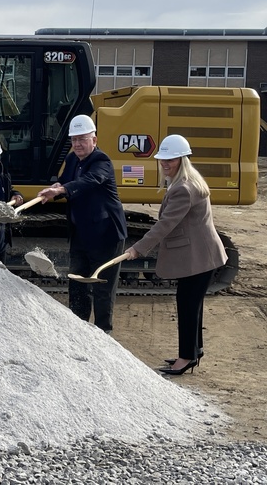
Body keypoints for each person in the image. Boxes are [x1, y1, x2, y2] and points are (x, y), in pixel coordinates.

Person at [125, 134, 226, 376]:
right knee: (193, 304)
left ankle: (186, 358)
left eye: (171, 160)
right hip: (203, 254)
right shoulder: (188, 181)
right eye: (163, 160)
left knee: (187, 305)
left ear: (183, 159)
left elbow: (165, 225)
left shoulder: (183, 188)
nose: (165, 164)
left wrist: (137, 248)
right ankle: (195, 350)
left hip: (199, 257)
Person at [37, 114, 127, 333]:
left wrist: (61, 189)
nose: (77, 144)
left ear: (94, 140)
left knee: (102, 288)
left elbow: (89, 181)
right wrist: (57, 188)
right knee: (77, 284)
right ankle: (79, 331)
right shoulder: (71, 160)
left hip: (106, 235)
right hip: (81, 234)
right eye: (74, 140)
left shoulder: (101, 161)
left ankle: (103, 333)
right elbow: (69, 182)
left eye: (82, 139)